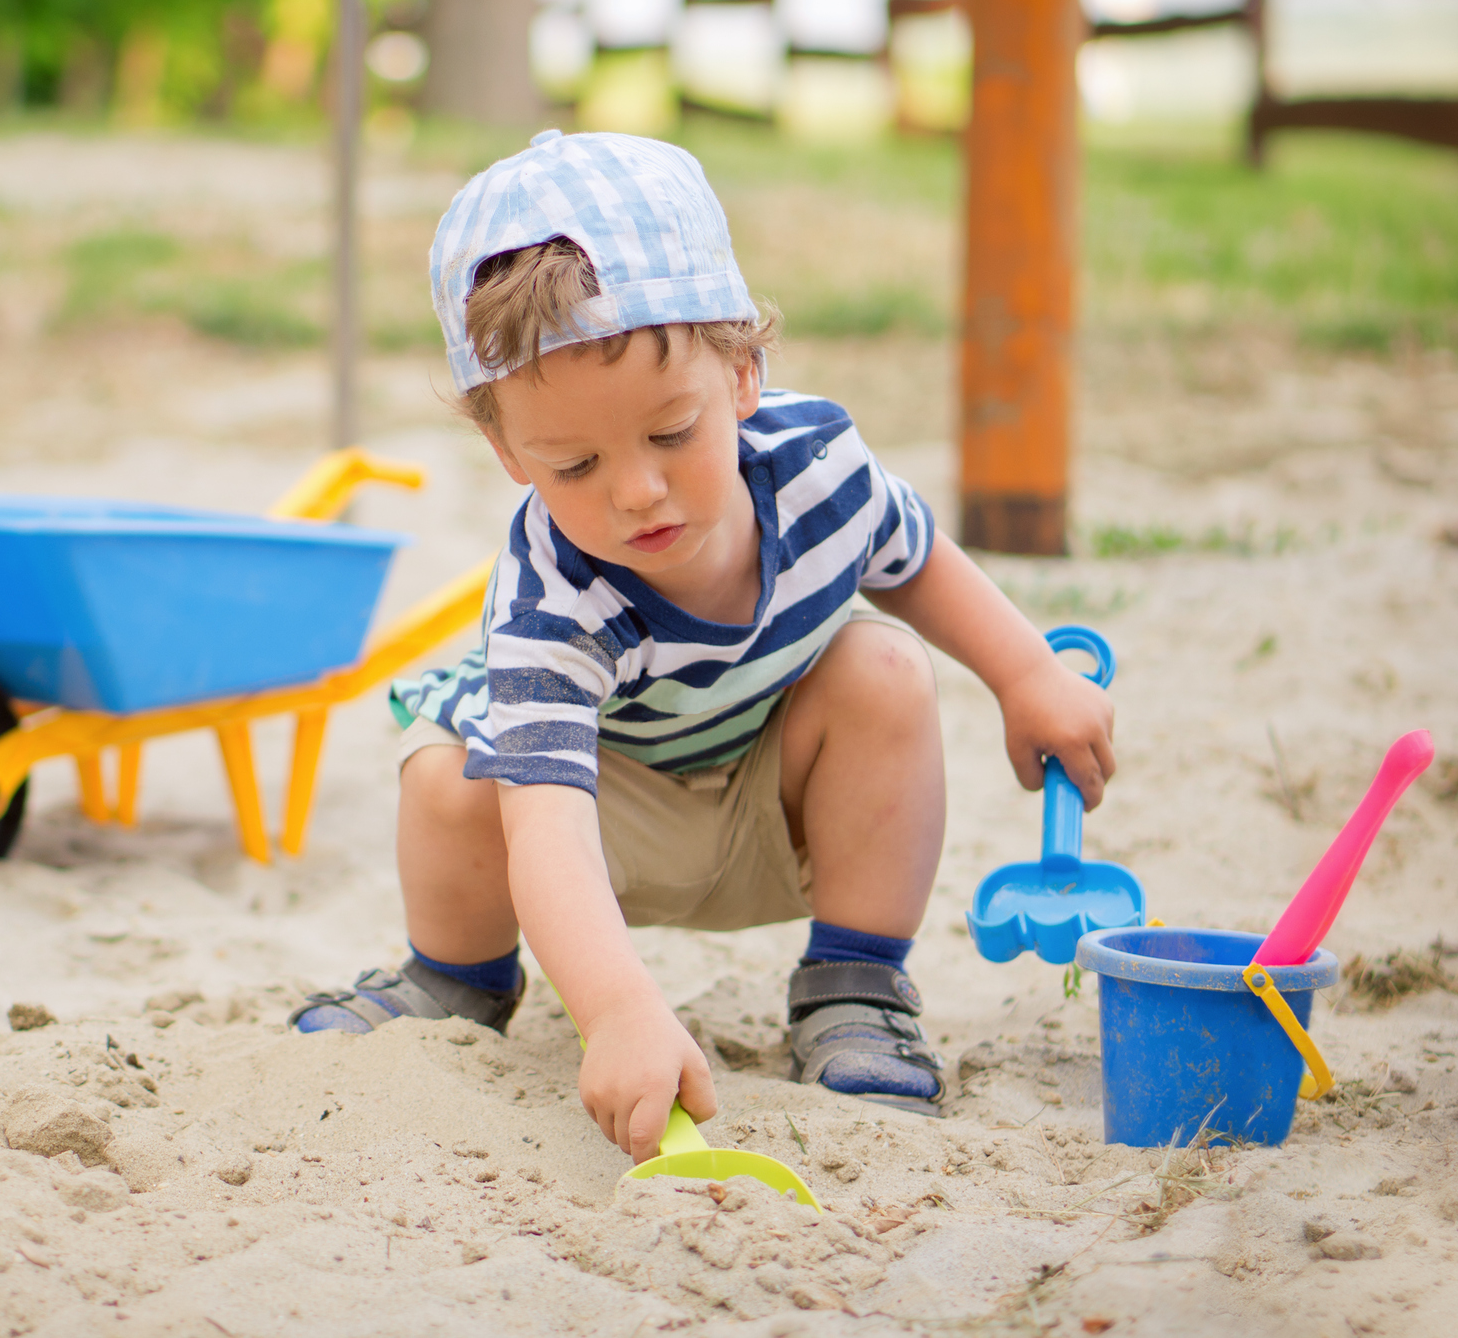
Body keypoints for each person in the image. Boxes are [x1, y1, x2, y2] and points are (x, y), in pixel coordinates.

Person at [291, 131, 1115, 1159]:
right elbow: (546, 828)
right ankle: (457, 977)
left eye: (671, 433)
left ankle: (855, 985)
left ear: (742, 374)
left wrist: (1027, 673)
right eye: (574, 464)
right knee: (453, 773)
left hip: (780, 802)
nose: (637, 492)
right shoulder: (553, 594)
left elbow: (914, 563)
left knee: (883, 668)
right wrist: (616, 1011)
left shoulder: (818, 469)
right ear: (507, 451)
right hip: (603, 825)